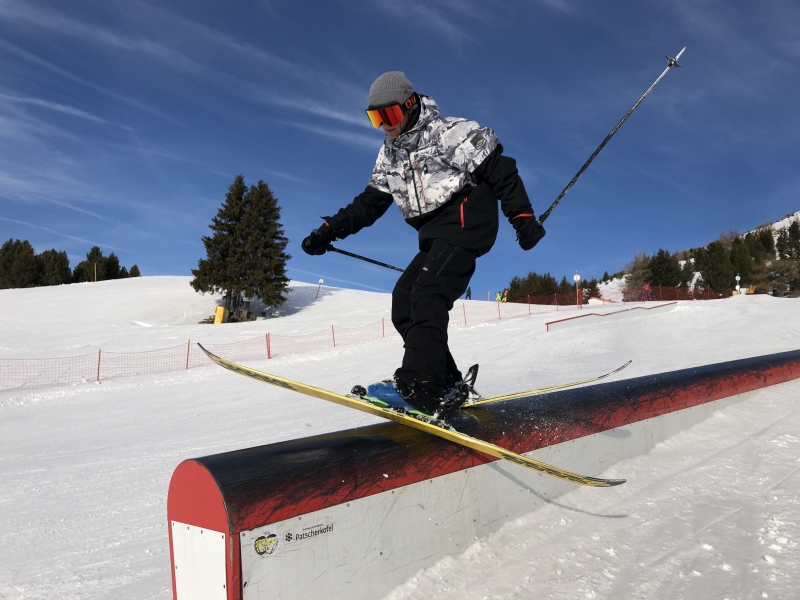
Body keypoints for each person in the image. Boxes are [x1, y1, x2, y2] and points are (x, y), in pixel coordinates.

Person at [302, 71, 545, 417]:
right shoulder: (390, 155)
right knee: (405, 301)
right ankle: (445, 382)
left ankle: (419, 388)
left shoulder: (448, 133)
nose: (384, 125)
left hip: (465, 221)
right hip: (434, 237)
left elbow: (499, 169)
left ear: (409, 103)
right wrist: (328, 231)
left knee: (428, 294)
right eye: (375, 118)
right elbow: (368, 204)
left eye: (390, 115)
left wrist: (523, 219)